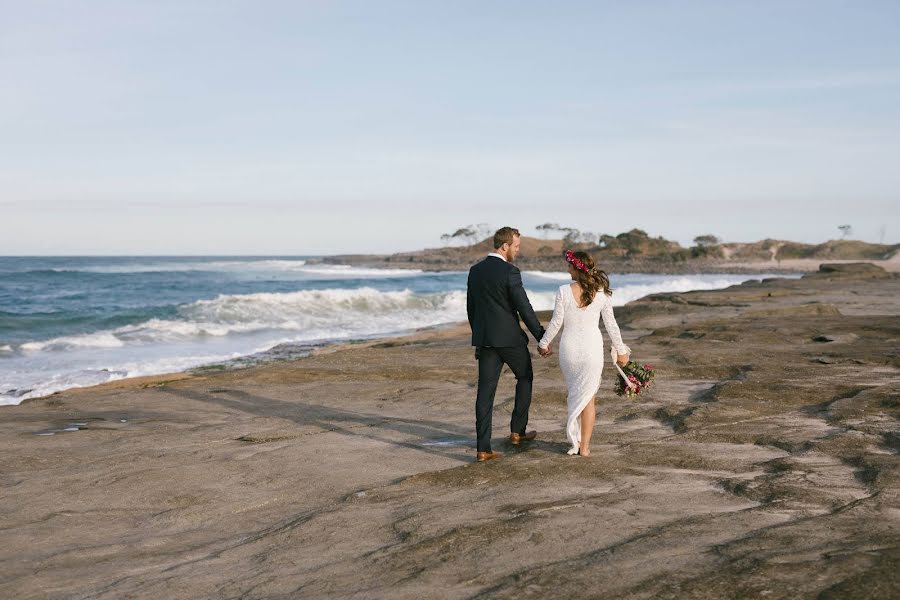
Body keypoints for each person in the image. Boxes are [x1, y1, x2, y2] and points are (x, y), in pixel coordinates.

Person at [537, 250, 630, 457]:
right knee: (588, 397)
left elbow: (556, 323)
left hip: (569, 351)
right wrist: (621, 350)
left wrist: (543, 344)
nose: (567, 269)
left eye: (569, 266)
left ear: (577, 268)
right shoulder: (602, 293)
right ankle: (584, 447)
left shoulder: (563, 291)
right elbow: (611, 325)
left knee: (576, 393)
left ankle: (577, 442)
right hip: (591, 350)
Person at [466, 227, 546, 463]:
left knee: (485, 393)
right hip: (510, 340)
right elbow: (524, 308)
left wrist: (479, 335)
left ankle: (482, 449)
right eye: (516, 247)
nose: (517, 251)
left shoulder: (475, 271)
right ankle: (517, 432)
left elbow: (471, 308)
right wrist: (541, 337)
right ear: (505, 246)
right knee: (525, 377)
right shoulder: (510, 272)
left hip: (487, 341)